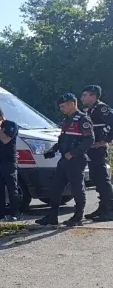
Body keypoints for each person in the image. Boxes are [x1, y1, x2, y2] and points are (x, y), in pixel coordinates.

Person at [36, 93, 94, 227]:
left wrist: (73, 153)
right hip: (64, 160)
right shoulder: (67, 120)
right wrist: (53, 150)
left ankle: (78, 216)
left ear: (72, 104)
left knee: (77, 189)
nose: (61, 109)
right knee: (55, 188)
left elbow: (89, 140)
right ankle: (52, 216)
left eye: (63, 106)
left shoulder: (83, 119)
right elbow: (63, 139)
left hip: (76, 160)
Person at [80, 85, 113, 222]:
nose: (82, 98)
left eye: (85, 95)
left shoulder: (102, 108)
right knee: (96, 178)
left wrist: (105, 140)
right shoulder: (91, 110)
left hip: (98, 148)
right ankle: (102, 207)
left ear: (93, 96)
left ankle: (109, 210)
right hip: (91, 149)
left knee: (102, 178)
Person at [0, 106, 22, 220]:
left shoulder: (11, 125)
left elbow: (5, 140)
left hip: (9, 161)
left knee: (12, 188)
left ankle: (15, 213)